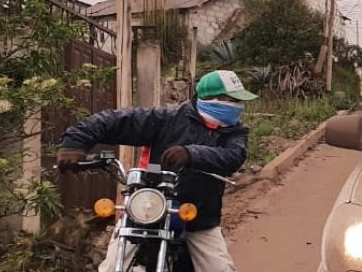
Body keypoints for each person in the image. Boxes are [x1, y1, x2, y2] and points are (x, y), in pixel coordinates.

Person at [57, 70, 256, 272]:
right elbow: (117, 120)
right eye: (230, 100)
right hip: (147, 208)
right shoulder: (167, 118)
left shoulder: (235, 131)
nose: (236, 106)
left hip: (199, 217)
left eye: (237, 101)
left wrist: (191, 154)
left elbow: (233, 157)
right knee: (111, 267)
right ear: (209, 99)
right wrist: (75, 142)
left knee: (220, 268)